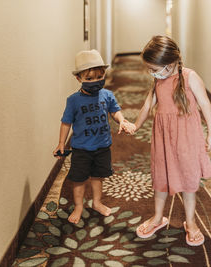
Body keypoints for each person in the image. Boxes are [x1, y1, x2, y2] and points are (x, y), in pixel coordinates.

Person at [129, 36, 211, 246]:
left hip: (186, 136)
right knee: (160, 175)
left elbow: (205, 104)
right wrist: (135, 125)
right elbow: (146, 105)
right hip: (163, 136)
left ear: (171, 64)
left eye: (155, 69)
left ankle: (190, 221)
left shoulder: (190, 77)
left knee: (188, 179)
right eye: (150, 69)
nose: (153, 73)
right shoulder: (158, 79)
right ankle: (158, 217)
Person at [53, 49, 135, 224]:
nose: (95, 82)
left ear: (104, 74)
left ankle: (97, 202)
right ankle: (78, 206)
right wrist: (61, 143)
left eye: (99, 77)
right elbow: (66, 122)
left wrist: (121, 120)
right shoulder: (73, 100)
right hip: (81, 148)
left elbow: (115, 111)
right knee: (79, 178)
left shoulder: (107, 95)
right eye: (89, 79)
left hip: (102, 145)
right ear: (79, 79)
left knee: (98, 176)